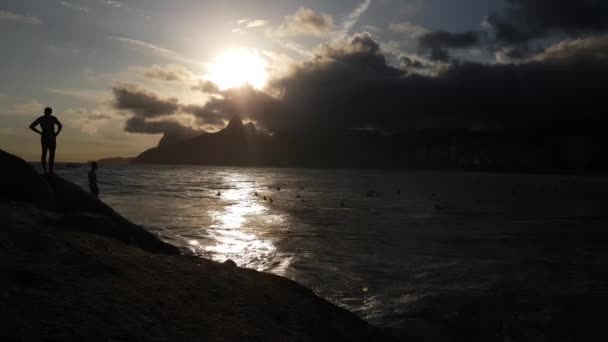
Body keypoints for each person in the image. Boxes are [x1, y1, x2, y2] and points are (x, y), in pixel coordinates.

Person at [29, 107, 62, 175]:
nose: (46, 112)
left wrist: (56, 133)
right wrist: (56, 133)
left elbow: (60, 126)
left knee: (47, 153)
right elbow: (31, 126)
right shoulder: (49, 118)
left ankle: (48, 170)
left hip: (48, 136)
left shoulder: (46, 118)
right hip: (49, 136)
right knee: (48, 153)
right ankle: (48, 170)